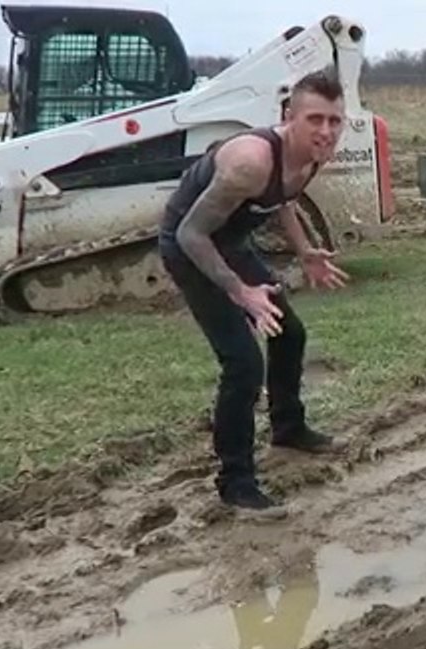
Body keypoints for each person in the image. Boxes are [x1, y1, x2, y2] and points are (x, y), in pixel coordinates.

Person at [158, 70, 351, 510]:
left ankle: (288, 428)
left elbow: (285, 199)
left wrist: (305, 251)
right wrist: (239, 291)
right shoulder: (250, 161)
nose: (326, 131)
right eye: (315, 119)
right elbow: (190, 234)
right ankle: (236, 482)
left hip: (230, 243)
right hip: (190, 248)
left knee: (289, 333)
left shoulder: (316, 154)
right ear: (289, 117)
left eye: (334, 121)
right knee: (243, 364)